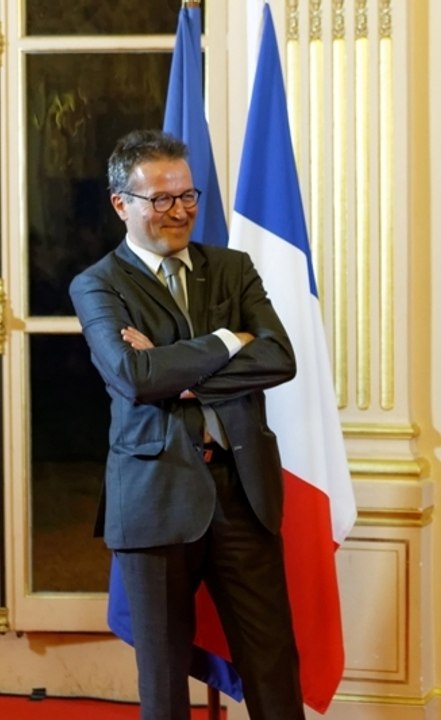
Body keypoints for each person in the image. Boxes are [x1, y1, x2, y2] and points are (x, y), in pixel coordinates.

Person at [69, 129, 304, 720]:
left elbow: (280, 357)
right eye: (161, 199)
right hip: (153, 497)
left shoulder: (231, 269)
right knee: (165, 681)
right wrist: (228, 339)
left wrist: (181, 374)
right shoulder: (97, 284)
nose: (180, 211)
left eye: (188, 195)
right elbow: (134, 375)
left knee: (274, 667)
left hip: (243, 491)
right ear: (121, 203)